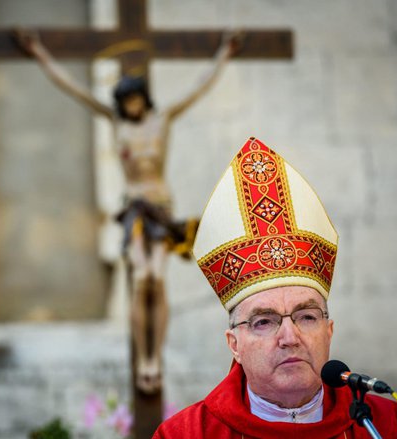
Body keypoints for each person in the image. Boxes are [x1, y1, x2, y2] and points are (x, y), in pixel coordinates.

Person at [154, 137, 397, 438]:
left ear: (329, 331)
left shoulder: (393, 427)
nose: (290, 337)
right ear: (234, 345)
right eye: (264, 321)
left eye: (307, 317)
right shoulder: (187, 433)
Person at [14, 29, 243, 394]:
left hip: (161, 209)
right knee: (141, 281)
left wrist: (224, 53)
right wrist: (40, 52)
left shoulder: (162, 119)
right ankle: (145, 359)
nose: (132, 106)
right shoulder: (116, 121)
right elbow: (74, 88)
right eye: (126, 101)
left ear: (143, 98)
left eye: (135, 99)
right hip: (133, 210)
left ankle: (157, 356)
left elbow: (199, 87)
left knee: (158, 279)